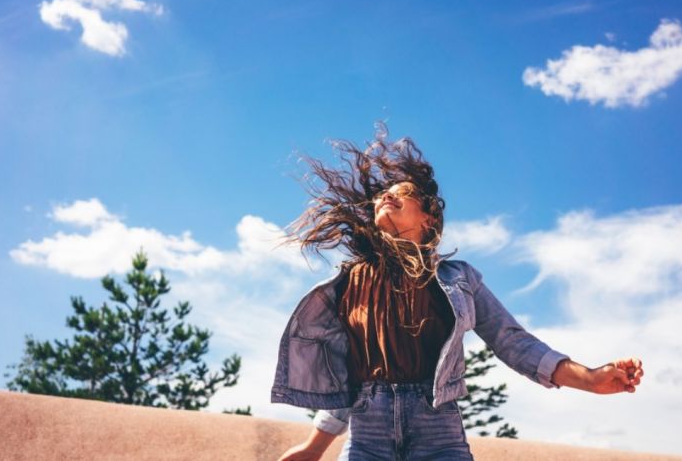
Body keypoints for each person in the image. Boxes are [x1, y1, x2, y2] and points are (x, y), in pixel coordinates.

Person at [270, 131, 643, 461]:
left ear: (429, 218)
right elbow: (346, 379)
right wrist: (315, 448)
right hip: (368, 435)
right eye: (385, 193)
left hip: (438, 432)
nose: (387, 195)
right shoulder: (350, 281)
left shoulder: (458, 278)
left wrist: (590, 379)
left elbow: (512, 342)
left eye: (403, 194)